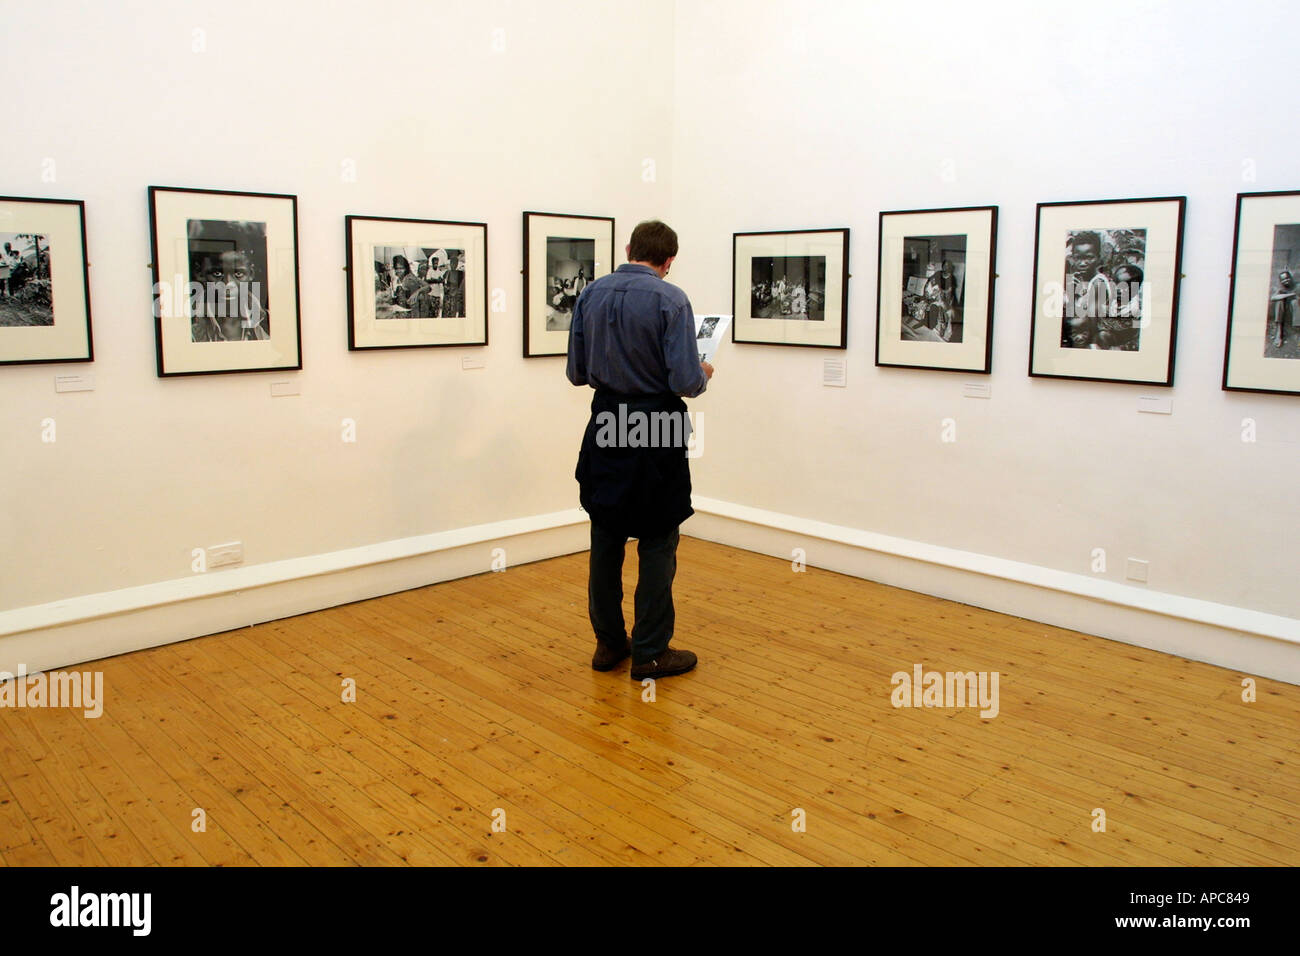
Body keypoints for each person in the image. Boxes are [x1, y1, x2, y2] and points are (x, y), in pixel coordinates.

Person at [566, 220, 713, 680]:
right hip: (657, 424)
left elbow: (576, 372)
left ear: (629, 248)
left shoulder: (591, 293)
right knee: (657, 537)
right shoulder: (672, 298)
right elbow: (686, 382)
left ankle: (609, 646)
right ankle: (649, 652)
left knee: (606, 535)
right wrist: (705, 370)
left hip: (608, 419)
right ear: (669, 261)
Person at [1269, 270, 1299, 350]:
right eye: (1283, 280)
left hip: (1297, 313)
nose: (1285, 281)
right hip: (1286, 315)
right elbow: (1273, 298)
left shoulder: (1297, 286)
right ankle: (1279, 333)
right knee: (1279, 302)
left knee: (1295, 302)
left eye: (1287, 278)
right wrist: (1290, 295)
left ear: (1290, 278)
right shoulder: (1281, 290)